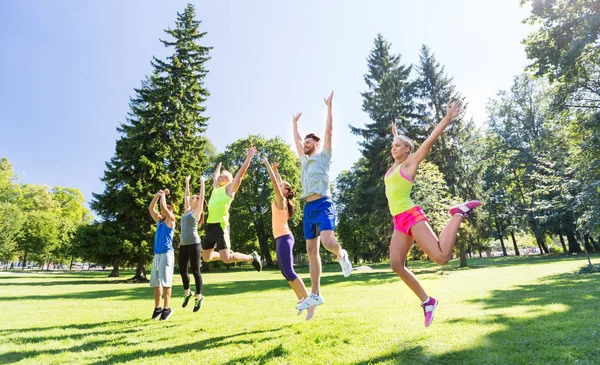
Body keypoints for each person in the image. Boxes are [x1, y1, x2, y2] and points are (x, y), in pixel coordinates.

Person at [386, 100, 481, 327]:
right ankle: (427, 301)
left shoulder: (410, 164)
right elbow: (397, 144)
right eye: (392, 146)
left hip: (410, 215)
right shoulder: (393, 168)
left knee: (441, 257)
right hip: (399, 220)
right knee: (396, 264)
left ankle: (458, 214)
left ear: (408, 149)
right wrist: (396, 135)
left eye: (398, 146)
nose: (394, 148)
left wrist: (447, 118)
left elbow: (429, 140)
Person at [293, 91, 353, 313]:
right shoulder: (304, 160)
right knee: (311, 250)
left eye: (309, 142)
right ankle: (315, 294)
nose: (305, 145)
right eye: (305, 143)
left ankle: (341, 254)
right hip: (308, 207)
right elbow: (297, 140)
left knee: (328, 241)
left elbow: (329, 131)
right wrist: (294, 124)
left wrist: (329, 108)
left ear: (316, 145)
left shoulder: (324, 155)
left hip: (323, 204)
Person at [261, 156, 314, 320]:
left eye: (282, 185)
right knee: (285, 272)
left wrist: (268, 166)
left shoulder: (281, 201)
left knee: (290, 271)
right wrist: (277, 172)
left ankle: (310, 302)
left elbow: (276, 185)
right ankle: (302, 299)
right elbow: (279, 183)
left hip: (284, 238)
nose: (279, 184)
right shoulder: (282, 198)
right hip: (280, 238)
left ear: (284, 191)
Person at [201, 146, 262, 271]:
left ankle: (251, 257)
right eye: (219, 176)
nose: (219, 177)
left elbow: (240, 175)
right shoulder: (215, 189)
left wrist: (249, 158)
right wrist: (218, 169)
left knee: (227, 259)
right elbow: (215, 177)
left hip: (220, 226)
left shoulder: (229, 190)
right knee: (206, 257)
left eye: (222, 176)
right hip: (210, 225)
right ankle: (228, 253)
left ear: (228, 180)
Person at [148, 189, 176, 321]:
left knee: (166, 282)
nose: (161, 212)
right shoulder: (159, 221)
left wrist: (163, 195)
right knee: (156, 283)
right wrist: (157, 195)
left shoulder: (171, 220)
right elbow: (151, 208)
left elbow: (163, 206)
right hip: (157, 255)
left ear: (168, 212)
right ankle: (158, 308)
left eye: (163, 211)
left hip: (166, 254)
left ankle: (167, 308)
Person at [179, 175, 206, 312]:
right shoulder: (186, 211)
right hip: (183, 245)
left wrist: (202, 183)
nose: (192, 199)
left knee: (196, 270)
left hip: (194, 244)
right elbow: (186, 196)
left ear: (198, 202)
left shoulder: (196, 211)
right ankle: (187, 292)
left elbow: (202, 197)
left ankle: (199, 296)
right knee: (182, 270)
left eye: (194, 198)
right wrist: (187, 183)